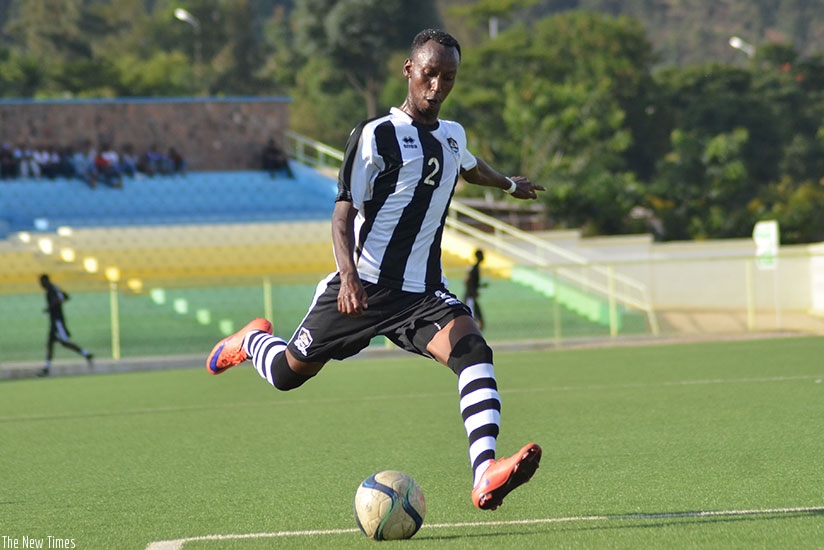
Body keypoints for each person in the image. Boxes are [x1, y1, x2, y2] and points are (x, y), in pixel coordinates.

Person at [207, 29, 546, 511]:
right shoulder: (376, 135)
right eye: (429, 74)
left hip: (422, 294)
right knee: (287, 374)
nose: (437, 87)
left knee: (473, 349)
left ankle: (485, 471)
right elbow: (343, 211)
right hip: (362, 288)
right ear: (409, 70)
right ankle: (251, 342)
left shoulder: (452, 136)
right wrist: (347, 278)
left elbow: (470, 167)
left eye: (448, 78)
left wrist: (511, 184)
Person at [39, 274, 94, 376]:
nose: (40, 284)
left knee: (65, 342)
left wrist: (51, 307)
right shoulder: (52, 289)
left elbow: (64, 297)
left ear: (45, 280)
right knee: (50, 344)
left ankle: (86, 354)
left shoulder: (52, 289)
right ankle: (46, 368)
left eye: (41, 281)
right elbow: (63, 296)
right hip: (54, 321)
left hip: (57, 321)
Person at [464, 249, 487, 331]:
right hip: (470, 298)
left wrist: (480, 286)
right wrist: (473, 292)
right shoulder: (474, 268)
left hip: (471, 297)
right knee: (473, 321)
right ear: (479, 256)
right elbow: (467, 281)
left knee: (479, 320)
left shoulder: (475, 267)